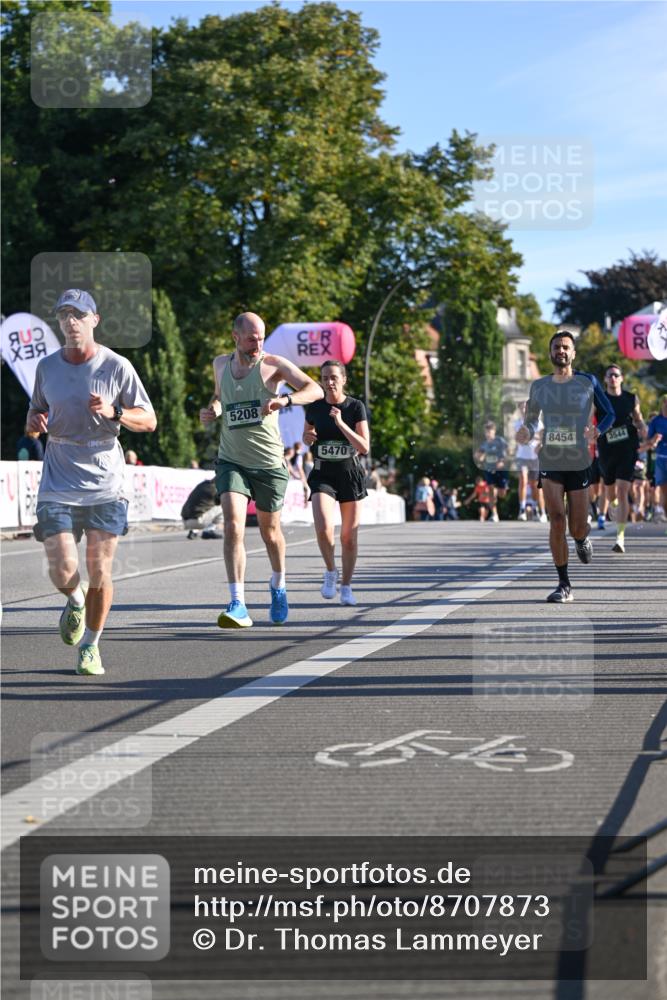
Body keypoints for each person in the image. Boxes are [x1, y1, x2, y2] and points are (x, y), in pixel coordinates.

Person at [26, 289, 156, 675]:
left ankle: (91, 645)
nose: (71, 321)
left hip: (105, 479)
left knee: (100, 570)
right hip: (59, 474)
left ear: (94, 320)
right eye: (64, 314)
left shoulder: (117, 366)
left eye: (78, 315)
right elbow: (36, 410)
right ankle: (76, 601)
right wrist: (33, 424)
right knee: (62, 571)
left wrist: (116, 411)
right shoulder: (47, 368)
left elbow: (148, 420)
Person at [200, 311, 323, 628]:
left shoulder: (274, 365)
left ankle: (278, 585)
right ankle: (237, 602)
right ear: (235, 336)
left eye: (262, 337)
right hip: (232, 459)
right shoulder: (220, 365)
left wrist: (286, 400)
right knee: (233, 526)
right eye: (252, 338)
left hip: (268, 463)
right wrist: (213, 410)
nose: (258, 344)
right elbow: (219, 397)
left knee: (270, 533)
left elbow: (315, 389)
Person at [516, 330, 614, 603]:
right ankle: (564, 584)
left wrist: (598, 431)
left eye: (566, 347)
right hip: (551, 457)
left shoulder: (588, 381)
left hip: (579, 459)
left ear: (573, 353)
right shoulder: (540, 386)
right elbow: (533, 420)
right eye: (557, 346)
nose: (561, 350)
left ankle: (583, 539)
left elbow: (609, 413)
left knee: (576, 527)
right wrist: (527, 429)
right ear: (550, 353)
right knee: (557, 520)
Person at [303, 359, 369, 606]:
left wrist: (341, 424)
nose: (329, 382)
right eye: (324, 378)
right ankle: (331, 571)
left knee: (349, 537)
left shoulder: (355, 407)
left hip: (350, 475)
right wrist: (307, 437)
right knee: (323, 528)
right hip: (323, 474)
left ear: (343, 380)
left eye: (333, 377)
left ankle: (347, 585)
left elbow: (364, 447)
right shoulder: (315, 407)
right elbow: (307, 435)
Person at [596, 365, 646, 553]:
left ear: (622, 378)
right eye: (610, 375)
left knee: (623, 489)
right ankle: (614, 505)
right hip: (607, 449)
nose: (614, 378)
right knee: (611, 494)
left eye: (617, 375)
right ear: (606, 379)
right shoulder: (599, 398)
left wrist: (642, 426)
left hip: (627, 448)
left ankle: (620, 537)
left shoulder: (631, 398)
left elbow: (638, 417)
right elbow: (588, 418)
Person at [513, 402, 546, 522]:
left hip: (535, 457)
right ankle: (522, 510)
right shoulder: (517, 423)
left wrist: (538, 441)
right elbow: (520, 439)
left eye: (525, 408)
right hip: (522, 457)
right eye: (521, 408)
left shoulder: (538, 423)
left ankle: (539, 509)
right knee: (523, 479)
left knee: (535, 486)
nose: (523, 410)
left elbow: (542, 437)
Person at [475, 421, 508, 522]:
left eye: (490, 432)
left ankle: (498, 490)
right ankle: (494, 514)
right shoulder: (484, 444)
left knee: (502, 494)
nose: (488, 434)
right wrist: (479, 457)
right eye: (486, 432)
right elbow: (479, 455)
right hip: (489, 469)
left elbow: (506, 453)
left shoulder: (500, 441)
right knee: (491, 490)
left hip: (501, 470)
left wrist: (502, 461)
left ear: (494, 431)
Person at [646, 394, 667, 524]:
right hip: (660, 459)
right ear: (662, 404)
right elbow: (648, 440)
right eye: (665, 401)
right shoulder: (655, 421)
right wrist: (654, 440)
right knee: (664, 491)